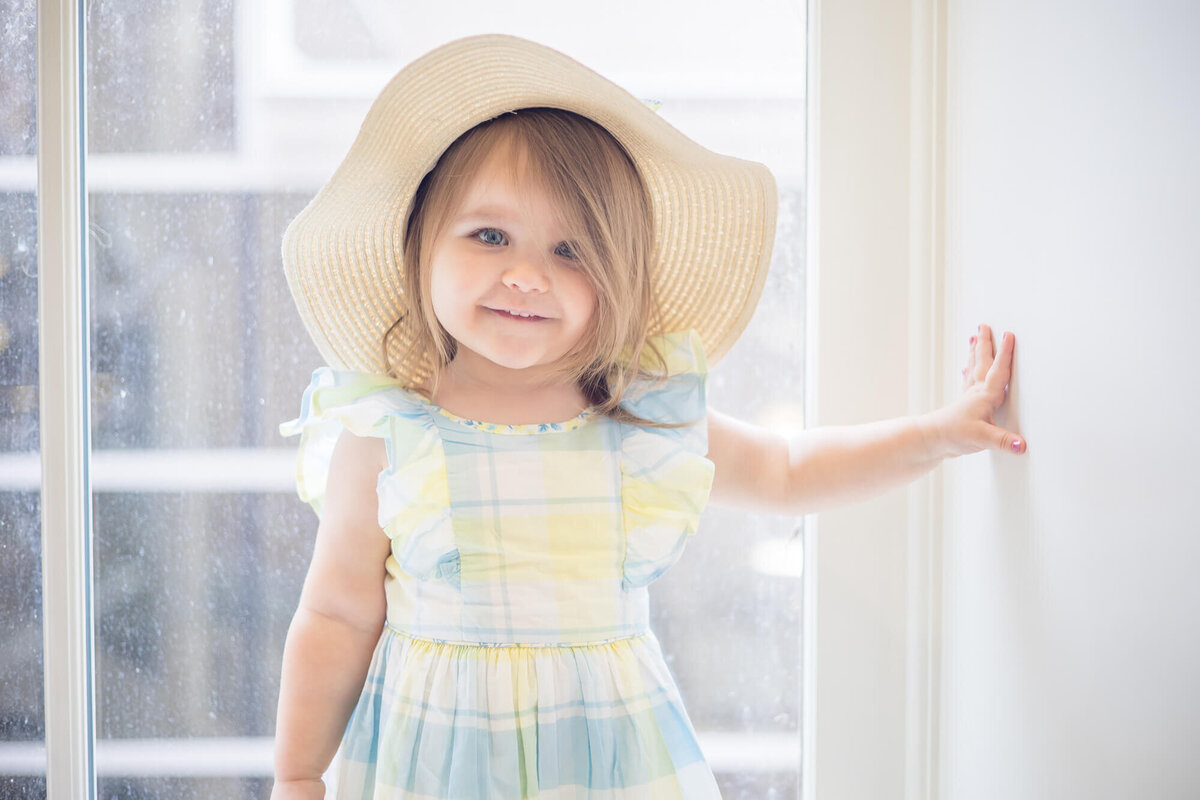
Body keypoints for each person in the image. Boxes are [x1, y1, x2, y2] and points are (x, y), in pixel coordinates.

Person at [270, 34, 1025, 800]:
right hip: (436, 761)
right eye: (490, 235)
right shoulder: (389, 435)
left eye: (573, 251)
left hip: (611, 760)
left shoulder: (635, 418)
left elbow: (787, 470)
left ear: (617, 278)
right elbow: (336, 615)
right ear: (419, 245)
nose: (527, 275)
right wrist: (297, 774)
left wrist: (937, 433)